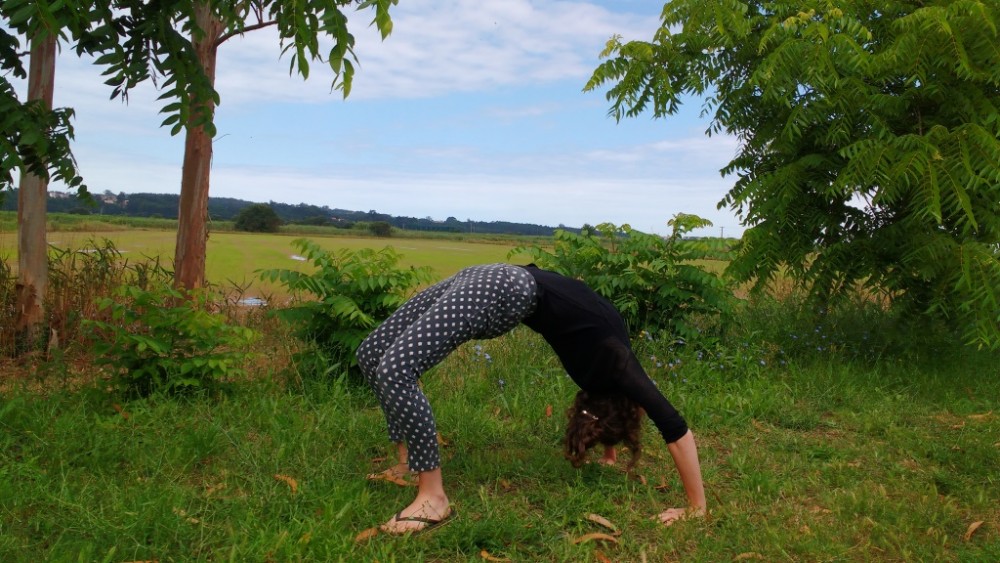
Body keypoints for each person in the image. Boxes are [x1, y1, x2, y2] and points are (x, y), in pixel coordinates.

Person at [356, 263, 706, 534]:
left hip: (497, 278)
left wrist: (610, 457)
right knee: (375, 357)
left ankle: (428, 489)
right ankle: (428, 489)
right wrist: (696, 507)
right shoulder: (617, 363)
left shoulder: (605, 372)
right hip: (501, 285)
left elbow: (611, 411)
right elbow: (675, 428)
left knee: (391, 366)